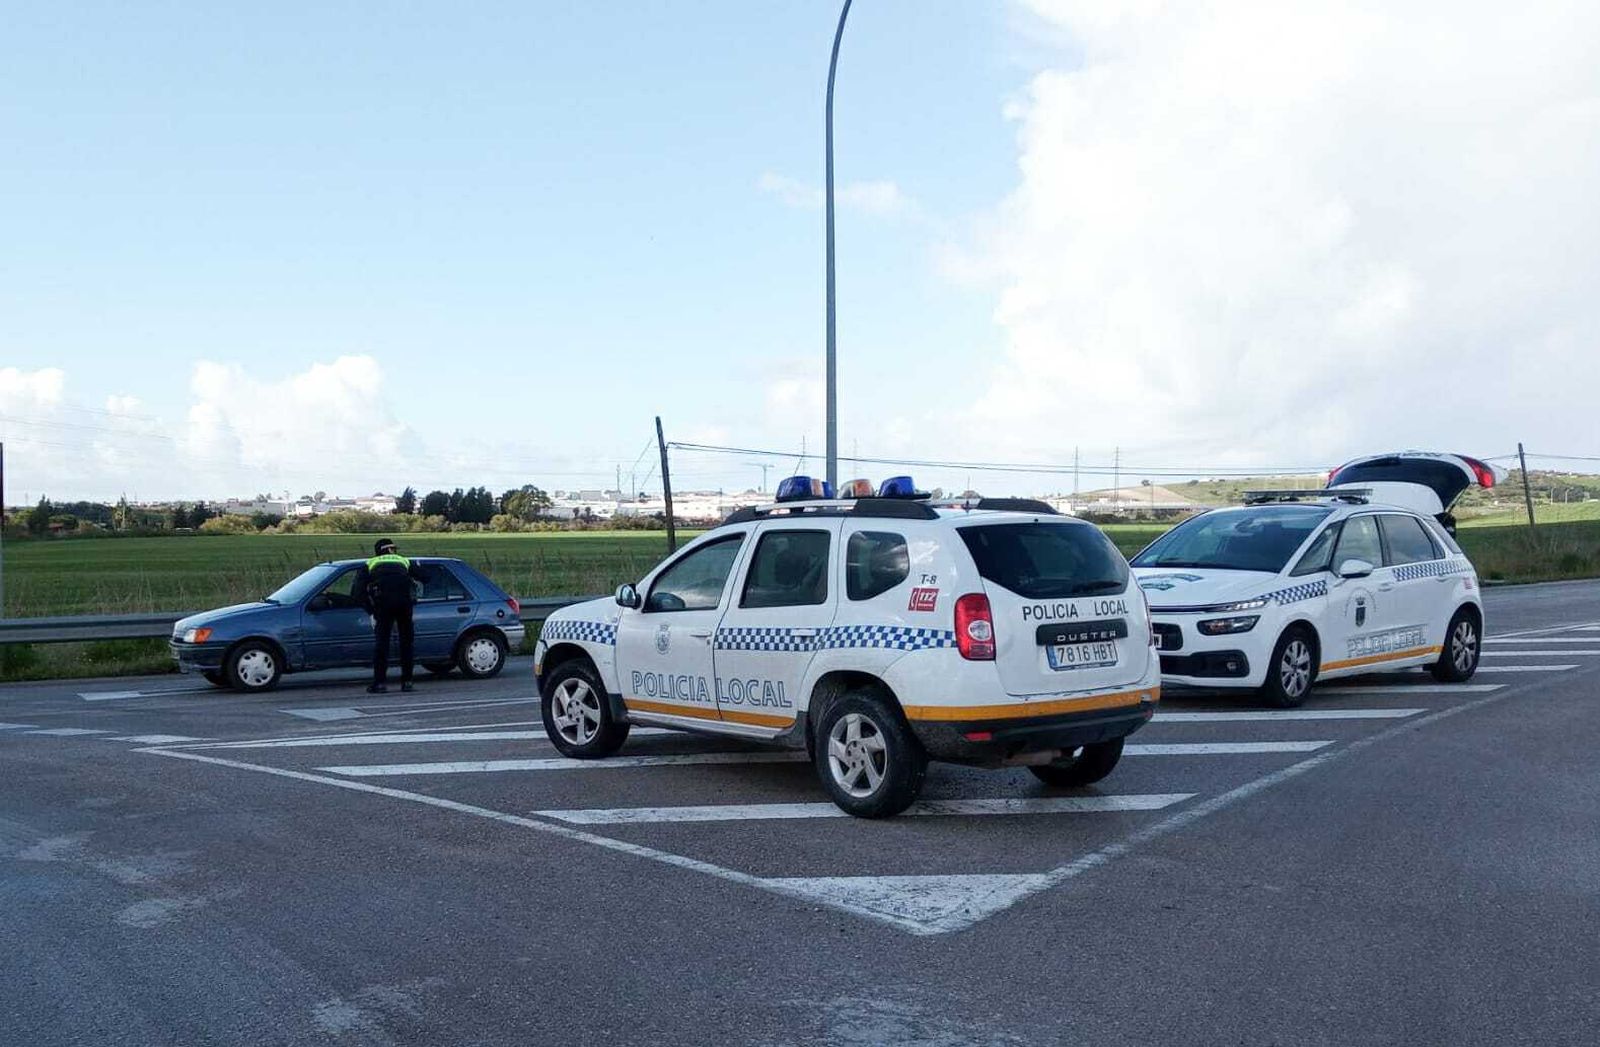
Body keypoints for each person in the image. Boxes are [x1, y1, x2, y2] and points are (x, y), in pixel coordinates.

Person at [355, 538, 424, 693]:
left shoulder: (369, 564)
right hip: (404, 606)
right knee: (406, 644)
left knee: (382, 645)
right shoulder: (404, 561)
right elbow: (426, 577)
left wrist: (371, 610)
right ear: (391, 550)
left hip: (383, 607)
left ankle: (379, 684)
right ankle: (407, 682)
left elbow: (357, 592)